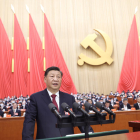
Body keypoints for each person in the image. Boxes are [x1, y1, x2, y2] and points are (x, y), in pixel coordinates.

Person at [22, 66, 93, 140]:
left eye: (58, 77)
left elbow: (80, 119)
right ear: (45, 79)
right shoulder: (36, 98)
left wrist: (92, 135)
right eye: (52, 76)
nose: (55, 79)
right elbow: (29, 122)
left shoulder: (70, 98)